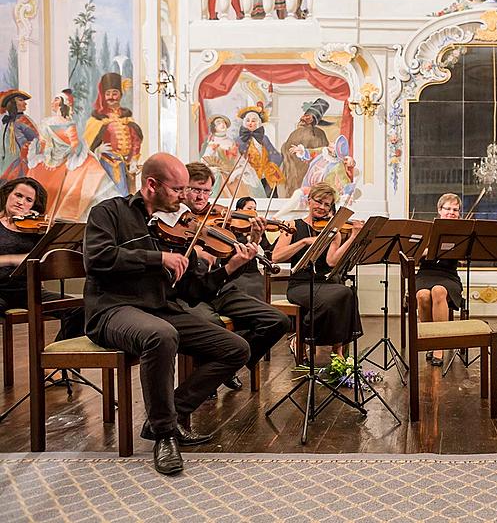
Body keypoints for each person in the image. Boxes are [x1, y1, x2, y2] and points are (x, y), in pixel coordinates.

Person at [83, 153, 255, 475]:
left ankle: (166, 416)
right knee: (161, 335)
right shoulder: (109, 212)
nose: (184, 196)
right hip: (113, 308)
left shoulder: (174, 229)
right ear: (152, 185)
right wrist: (157, 258)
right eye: (177, 189)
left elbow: (193, 292)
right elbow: (98, 259)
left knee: (236, 348)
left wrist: (229, 268)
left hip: (161, 308)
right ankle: (165, 435)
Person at [180, 162, 291, 392]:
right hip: (190, 294)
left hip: (220, 289)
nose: (201, 197)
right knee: (211, 325)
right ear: (182, 188)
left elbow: (235, 261)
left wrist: (255, 238)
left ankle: (230, 364)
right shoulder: (173, 218)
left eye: (206, 191)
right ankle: (206, 382)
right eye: (195, 190)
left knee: (278, 321)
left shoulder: (219, 217)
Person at [272, 181, 363, 359]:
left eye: (326, 204)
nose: (322, 207)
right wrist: (304, 242)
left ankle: (336, 350)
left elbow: (331, 261)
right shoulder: (292, 226)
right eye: (319, 201)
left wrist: (352, 237)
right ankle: (303, 338)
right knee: (339, 295)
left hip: (324, 283)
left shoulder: (332, 230)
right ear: (309, 200)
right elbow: (276, 256)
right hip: (300, 285)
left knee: (346, 293)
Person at [0, 177, 83, 341]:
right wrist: (12, 259)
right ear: (7, 194)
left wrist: (51, 234)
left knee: (79, 308)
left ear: (33, 206)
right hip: (0, 290)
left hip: (28, 291)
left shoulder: (36, 229)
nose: (21, 202)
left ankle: (57, 359)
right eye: (18, 195)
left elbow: (48, 257)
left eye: (28, 200)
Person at [27, 89, 119, 220]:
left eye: (56, 100)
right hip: (55, 158)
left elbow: (66, 144)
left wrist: (60, 153)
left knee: (90, 167)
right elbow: (57, 143)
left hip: (59, 158)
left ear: (60, 104)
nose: (53, 103)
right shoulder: (57, 123)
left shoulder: (58, 123)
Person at [415, 193, 464, 366]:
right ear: (439, 210)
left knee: (438, 291)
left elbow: (466, 257)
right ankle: (429, 340)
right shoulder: (428, 229)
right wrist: (428, 250)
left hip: (448, 275)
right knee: (422, 295)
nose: (451, 212)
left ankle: (439, 346)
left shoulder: (461, 231)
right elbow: (412, 254)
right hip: (426, 273)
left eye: (455, 209)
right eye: (448, 209)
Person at [85, 72, 143, 196]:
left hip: (124, 167)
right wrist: (98, 151)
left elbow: (136, 140)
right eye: (108, 94)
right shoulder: (97, 119)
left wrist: (133, 160)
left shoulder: (127, 118)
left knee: (123, 196)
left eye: (115, 93)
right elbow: (88, 147)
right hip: (105, 165)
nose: (111, 97)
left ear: (120, 95)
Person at [282, 98, 330, 196]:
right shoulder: (318, 133)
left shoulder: (317, 134)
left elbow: (324, 152)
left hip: (300, 172)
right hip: (303, 171)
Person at [0, 90, 39, 181]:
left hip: (21, 163)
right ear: (12, 103)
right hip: (10, 163)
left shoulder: (22, 120)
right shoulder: (13, 122)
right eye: (21, 100)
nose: (25, 103)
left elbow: (35, 140)